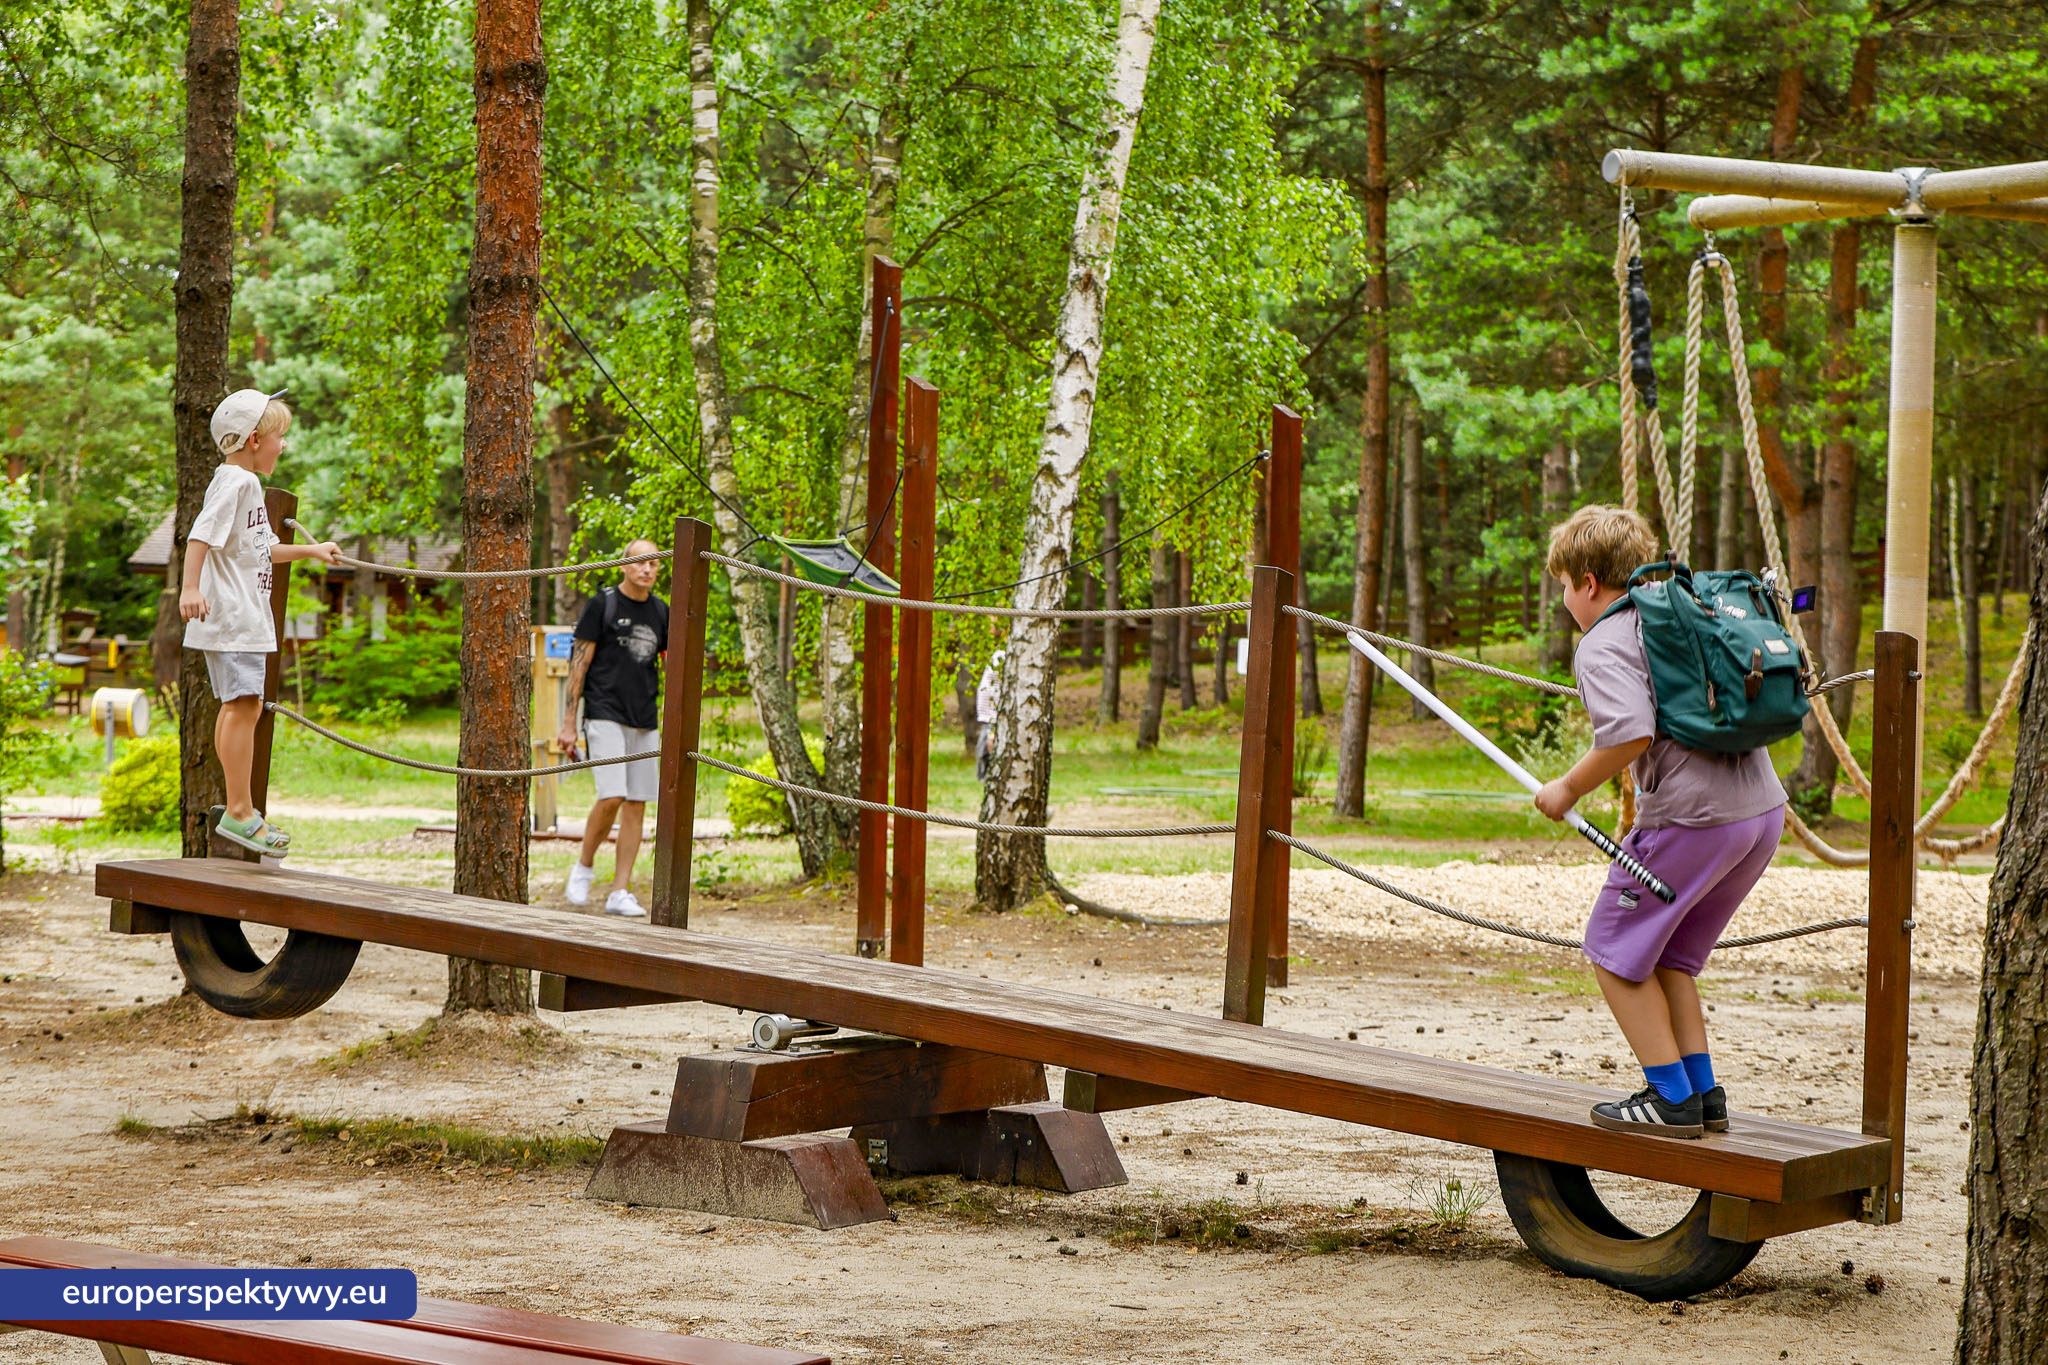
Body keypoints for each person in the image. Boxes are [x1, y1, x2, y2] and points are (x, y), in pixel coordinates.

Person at [1533, 505, 1787, 1138]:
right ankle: (1704, 1096)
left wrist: (1566, 788)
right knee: (1671, 956)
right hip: (1759, 815)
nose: (1566, 599)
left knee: (1613, 952)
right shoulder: (1675, 615)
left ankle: (1670, 1098)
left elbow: (1629, 734)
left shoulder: (1604, 643)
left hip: (1697, 820)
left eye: (1564, 585)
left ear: (1588, 582)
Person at [179, 389, 340, 855]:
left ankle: (241, 808)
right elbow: (199, 536)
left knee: (244, 706)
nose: (282, 445)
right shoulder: (237, 483)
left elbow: (265, 548)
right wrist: (191, 588)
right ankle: (239, 811)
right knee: (242, 706)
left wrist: (312, 549)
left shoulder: (243, 486)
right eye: (279, 436)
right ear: (253, 439)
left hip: (243, 619)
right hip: (231, 617)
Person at [558, 540, 668, 918]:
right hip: (603, 712)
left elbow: (670, 662)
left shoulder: (661, 612)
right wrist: (569, 723)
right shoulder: (601, 605)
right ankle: (584, 867)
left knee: (637, 803)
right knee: (613, 794)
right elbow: (579, 665)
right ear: (624, 565)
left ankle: (620, 891)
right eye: (640, 562)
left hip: (644, 718)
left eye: (654, 563)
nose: (648, 569)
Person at [974, 649, 1006, 783]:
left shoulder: (1002, 656)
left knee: (987, 749)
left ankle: (990, 776)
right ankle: (985, 776)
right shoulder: (997, 655)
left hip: (994, 716)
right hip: (989, 717)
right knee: (982, 751)